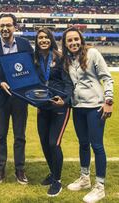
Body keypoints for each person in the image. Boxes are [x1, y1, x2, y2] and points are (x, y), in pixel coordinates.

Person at [62, 27, 114, 203]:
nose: (73, 43)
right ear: (66, 44)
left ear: (81, 40)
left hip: (95, 106)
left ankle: (100, 187)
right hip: (78, 107)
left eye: (76, 39)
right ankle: (85, 178)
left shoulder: (93, 53)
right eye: (69, 40)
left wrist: (108, 101)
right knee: (83, 144)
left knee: (97, 146)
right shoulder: (67, 59)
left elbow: (107, 78)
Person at [0, 13, 34, 184]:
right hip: (0, 97)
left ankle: (20, 170)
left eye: (8, 25)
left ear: (15, 27)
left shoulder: (25, 45)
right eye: (2, 26)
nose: (5, 28)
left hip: (20, 98)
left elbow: (31, 67)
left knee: (20, 135)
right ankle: (1, 168)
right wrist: (0, 84)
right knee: (1, 135)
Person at [34, 27, 73, 196]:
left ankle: (57, 181)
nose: (43, 40)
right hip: (43, 107)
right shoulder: (34, 60)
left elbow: (69, 83)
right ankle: (52, 172)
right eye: (40, 38)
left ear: (51, 39)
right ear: (36, 41)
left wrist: (65, 100)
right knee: (44, 142)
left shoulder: (61, 58)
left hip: (59, 106)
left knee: (53, 143)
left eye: (46, 37)